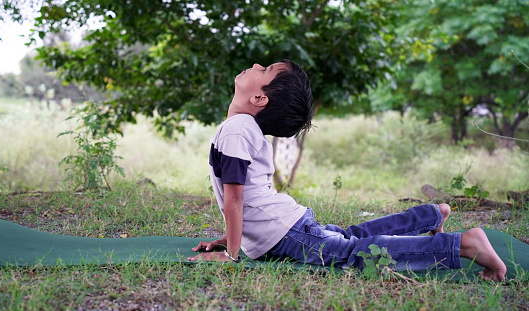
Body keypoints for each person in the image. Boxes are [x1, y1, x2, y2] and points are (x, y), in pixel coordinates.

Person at [187, 60, 507, 281]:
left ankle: (463, 244)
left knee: (350, 253)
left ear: (258, 97)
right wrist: (229, 239)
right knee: (349, 237)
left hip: (284, 231)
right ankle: (430, 216)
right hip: (284, 225)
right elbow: (247, 198)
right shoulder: (239, 128)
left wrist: (230, 253)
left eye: (265, 70)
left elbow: (237, 197)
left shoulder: (237, 129)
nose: (256, 66)